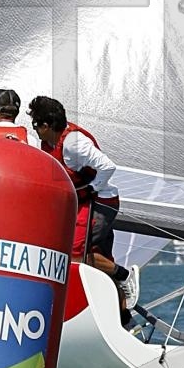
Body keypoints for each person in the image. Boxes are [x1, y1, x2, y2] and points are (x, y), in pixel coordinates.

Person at [27, 95, 135, 328]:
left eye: (35, 124)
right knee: (96, 258)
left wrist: (91, 188)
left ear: (47, 125)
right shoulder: (50, 143)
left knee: (77, 255)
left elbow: (108, 166)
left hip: (100, 202)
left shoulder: (74, 144)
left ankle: (124, 276)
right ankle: (125, 320)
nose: (34, 129)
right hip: (85, 204)